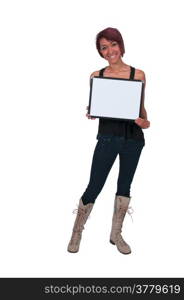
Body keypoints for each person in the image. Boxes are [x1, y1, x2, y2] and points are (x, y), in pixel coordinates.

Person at [67, 27, 150, 254]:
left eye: (113, 44)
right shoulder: (97, 76)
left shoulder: (138, 74)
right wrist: (92, 110)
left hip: (133, 140)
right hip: (107, 138)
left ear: (121, 46)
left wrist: (145, 122)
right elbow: (99, 106)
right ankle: (77, 232)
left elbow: (143, 113)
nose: (110, 50)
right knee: (94, 185)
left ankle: (116, 234)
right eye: (104, 47)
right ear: (101, 52)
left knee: (124, 187)